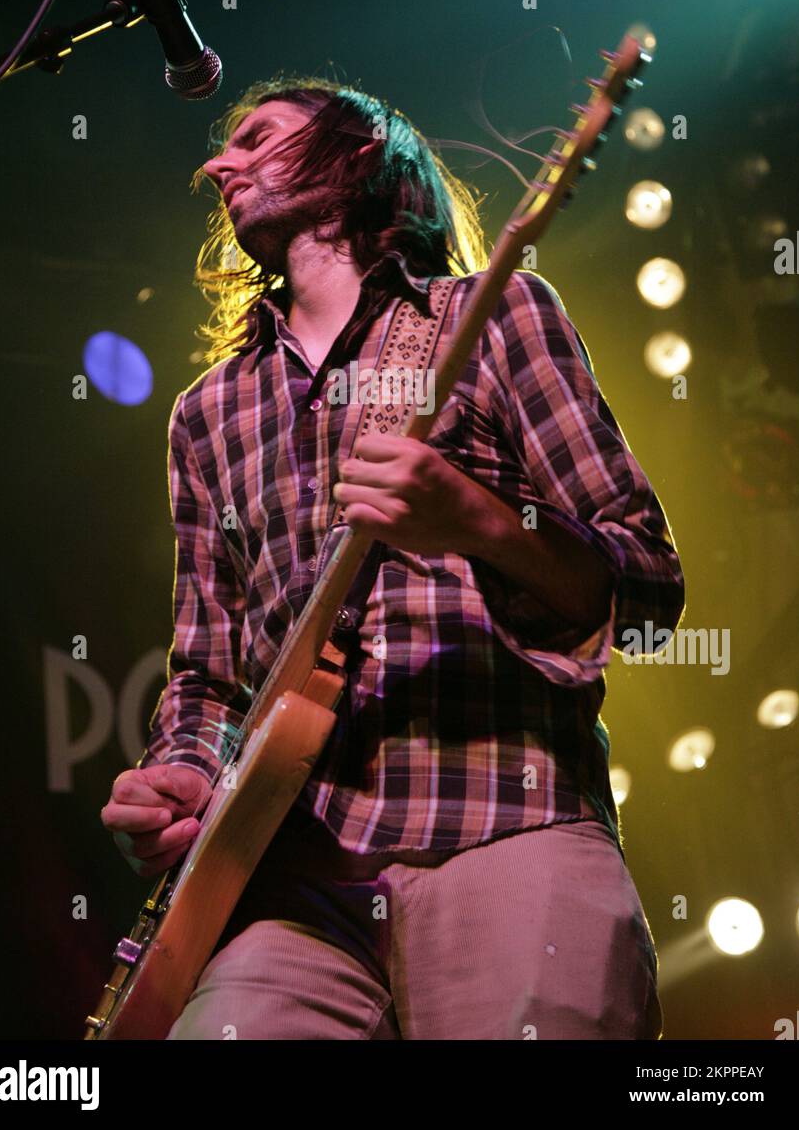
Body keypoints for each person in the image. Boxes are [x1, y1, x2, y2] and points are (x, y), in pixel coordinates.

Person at [100, 76, 685, 1040]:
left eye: (256, 139)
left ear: (359, 154)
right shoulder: (206, 413)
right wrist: (183, 773)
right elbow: (208, 678)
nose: (218, 164)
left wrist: (482, 522)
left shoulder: (495, 316)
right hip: (294, 884)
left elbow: (652, 596)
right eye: (222, 151)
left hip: (508, 827)